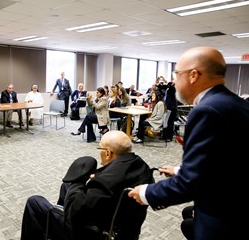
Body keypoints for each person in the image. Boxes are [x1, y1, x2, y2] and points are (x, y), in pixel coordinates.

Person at [128, 46, 249, 240]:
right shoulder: (235, 104)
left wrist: (146, 193)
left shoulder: (207, 111)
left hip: (224, 218)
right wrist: (178, 170)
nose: (174, 81)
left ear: (193, 75)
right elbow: (226, 160)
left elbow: (192, 184)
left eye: (177, 73)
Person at [20, 130, 154, 240]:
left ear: (108, 153)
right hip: (126, 230)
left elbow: (75, 212)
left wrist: (79, 179)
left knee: (34, 202)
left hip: (93, 232)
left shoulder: (105, 182)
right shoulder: (144, 168)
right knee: (66, 186)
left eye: (100, 148)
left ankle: (58, 225)